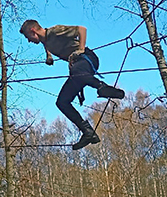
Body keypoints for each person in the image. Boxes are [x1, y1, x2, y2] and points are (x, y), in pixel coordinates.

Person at [20, 20, 125, 150]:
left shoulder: (55, 31)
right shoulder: (45, 40)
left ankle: (103, 88)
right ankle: (87, 132)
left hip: (86, 59)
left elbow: (82, 29)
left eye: (27, 37)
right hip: (78, 71)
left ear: (33, 31)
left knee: (77, 71)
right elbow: (46, 43)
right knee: (62, 102)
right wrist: (49, 56)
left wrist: (80, 49)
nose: (29, 41)